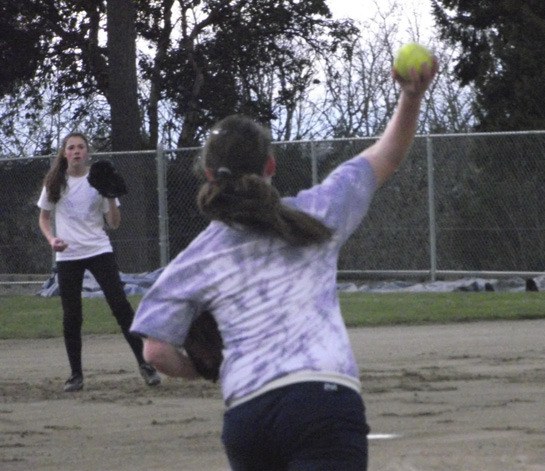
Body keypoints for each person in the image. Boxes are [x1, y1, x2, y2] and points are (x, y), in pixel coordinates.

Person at [130, 58, 438, 469]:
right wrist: (410, 96)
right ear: (270, 166)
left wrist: (209, 371)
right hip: (324, 403)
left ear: (207, 173)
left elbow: (155, 352)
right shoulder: (316, 214)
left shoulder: (196, 258)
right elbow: (387, 155)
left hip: (248, 416)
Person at [37, 132, 161, 392]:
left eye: (81, 147)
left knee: (121, 307)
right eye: (71, 147)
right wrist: (52, 239)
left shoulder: (99, 179)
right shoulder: (55, 182)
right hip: (68, 254)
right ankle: (76, 375)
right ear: (64, 153)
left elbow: (113, 224)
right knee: (72, 315)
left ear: (87, 152)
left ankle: (146, 365)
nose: (76, 151)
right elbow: (44, 218)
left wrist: (110, 196)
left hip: (98, 249)